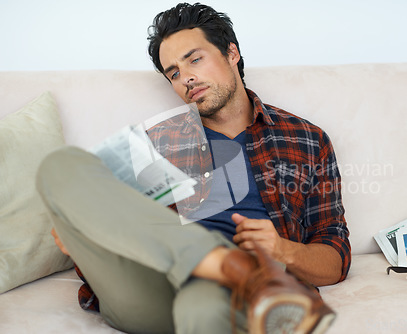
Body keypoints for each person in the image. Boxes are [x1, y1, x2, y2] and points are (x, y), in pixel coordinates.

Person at [39, 3, 351, 334]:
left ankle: (226, 268)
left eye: (195, 59)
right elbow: (122, 234)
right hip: (148, 287)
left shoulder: (305, 139)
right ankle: (221, 261)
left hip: (227, 296)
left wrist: (283, 250)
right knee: (60, 164)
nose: (186, 77)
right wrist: (84, 237)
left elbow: (336, 260)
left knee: (203, 304)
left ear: (232, 53)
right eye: (173, 72)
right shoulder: (153, 142)